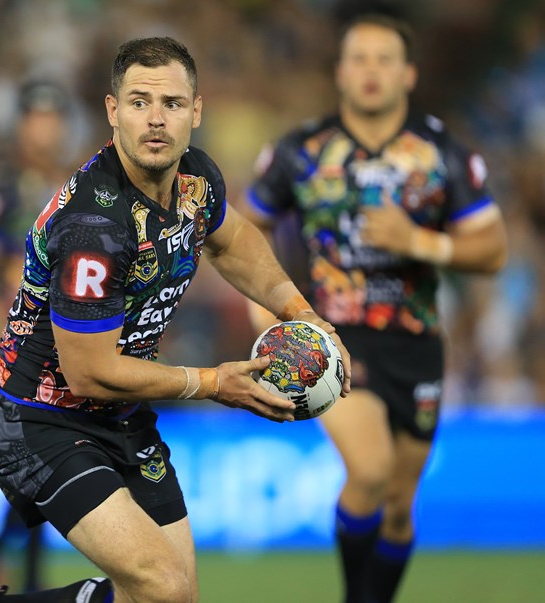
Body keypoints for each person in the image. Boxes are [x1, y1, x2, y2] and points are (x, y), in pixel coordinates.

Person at [0, 36, 350, 603]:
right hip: (37, 419)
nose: (156, 121)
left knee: (173, 598)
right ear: (113, 112)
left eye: (172, 104)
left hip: (120, 412)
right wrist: (212, 383)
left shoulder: (196, 181)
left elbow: (230, 241)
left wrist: (301, 312)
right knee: (158, 585)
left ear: (196, 111)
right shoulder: (93, 226)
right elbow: (88, 372)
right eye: (139, 103)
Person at [243, 13, 507, 603]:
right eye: (358, 58)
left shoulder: (440, 152)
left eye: (384, 59)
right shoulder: (301, 151)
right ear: (339, 72)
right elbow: (239, 231)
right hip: (332, 337)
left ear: (408, 74)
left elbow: (492, 248)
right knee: (368, 470)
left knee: (397, 511)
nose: (370, 71)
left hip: (416, 343)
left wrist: (418, 241)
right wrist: (264, 308)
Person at [0, 80, 79, 593]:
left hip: (65, 349)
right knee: (34, 462)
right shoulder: (0, 192)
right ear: (22, 124)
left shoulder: (80, 186)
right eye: (36, 117)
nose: (44, 128)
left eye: (53, 118)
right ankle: (12, 571)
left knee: (42, 466)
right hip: (18, 351)